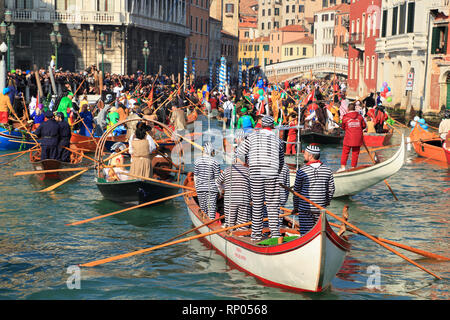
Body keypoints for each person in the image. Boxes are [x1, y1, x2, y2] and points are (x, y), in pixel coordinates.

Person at [236, 115, 285, 241]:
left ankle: (256, 235)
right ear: (272, 127)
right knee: (273, 205)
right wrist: (276, 173)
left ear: (261, 125)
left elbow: (239, 151)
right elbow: (281, 161)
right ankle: (275, 234)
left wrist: (247, 162)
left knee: (257, 204)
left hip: (256, 173)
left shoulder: (252, 136)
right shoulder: (278, 140)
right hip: (272, 172)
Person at [292, 145, 335, 236]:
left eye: (305, 154)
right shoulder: (328, 170)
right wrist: (325, 203)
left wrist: (295, 207)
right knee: (318, 234)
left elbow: (296, 192)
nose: (303, 155)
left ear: (311, 156)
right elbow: (331, 190)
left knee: (306, 234)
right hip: (320, 209)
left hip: (305, 209)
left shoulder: (302, 171)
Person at [216, 154, 251, 229]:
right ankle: (242, 235)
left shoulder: (227, 170)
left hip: (230, 201)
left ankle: (231, 232)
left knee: (230, 225)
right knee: (243, 226)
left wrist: (222, 190)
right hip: (244, 200)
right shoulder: (249, 171)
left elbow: (218, 182)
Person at [194, 142, 221, 220]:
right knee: (211, 210)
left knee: (203, 209)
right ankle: (210, 223)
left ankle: (204, 222)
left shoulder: (197, 161)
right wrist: (220, 191)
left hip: (200, 189)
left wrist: (197, 188)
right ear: (212, 151)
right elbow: (217, 179)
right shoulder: (215, 162)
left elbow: (195, 177)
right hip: (211, 189)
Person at [338, 102, 366, 172]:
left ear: (348, 109)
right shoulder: (360, 116)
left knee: (345, 152)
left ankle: (343, 167)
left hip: (349, 137)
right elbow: (364, 126)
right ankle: (353, 167)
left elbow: (343, 127)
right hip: (358, 137)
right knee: (355, 153)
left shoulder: (345, 117)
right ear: (354, 109)